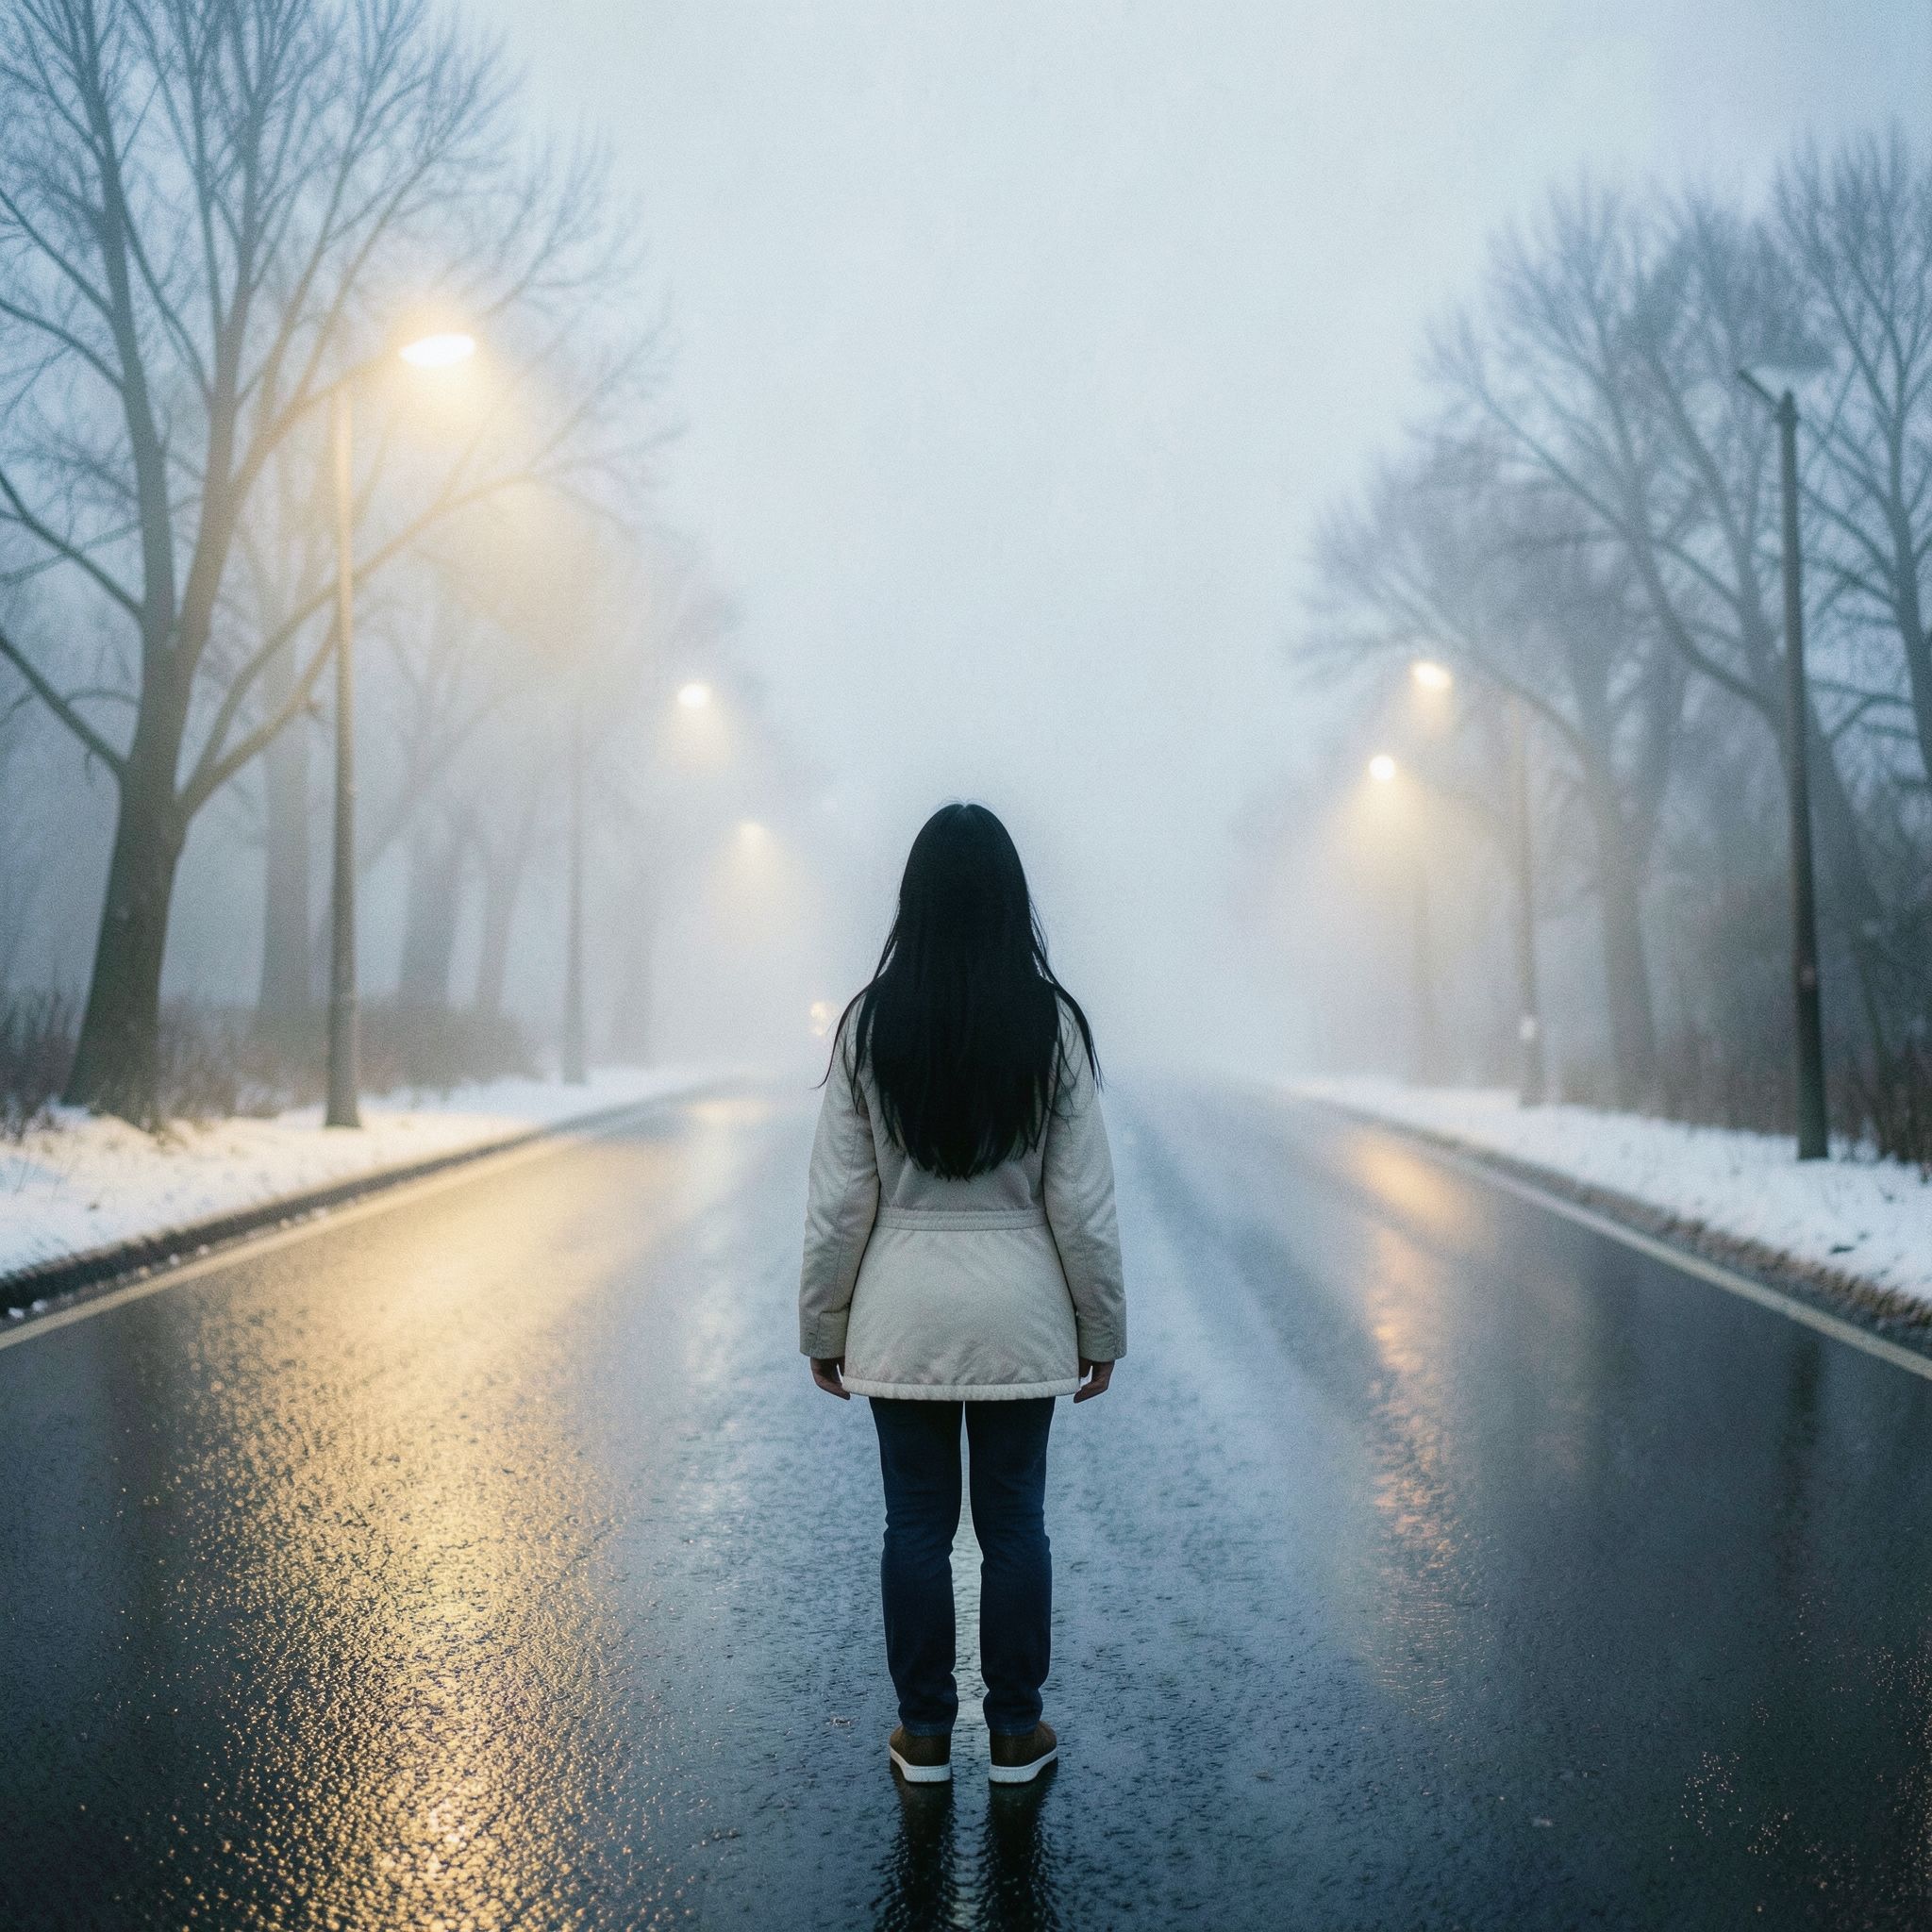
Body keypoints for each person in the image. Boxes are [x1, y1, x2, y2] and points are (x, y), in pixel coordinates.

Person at [799, 802, 1125, 1788]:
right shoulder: (1051, 1023)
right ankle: (1018, 1732)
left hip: (901, 1319)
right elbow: (1082, 1205)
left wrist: (823, 1324)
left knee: (914, 1526)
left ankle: (925, 1733)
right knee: (1015, 1523)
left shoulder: (868, 1022)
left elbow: (837, 1205)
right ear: (1009, 898)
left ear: (915, 898)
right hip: (1020, 1317)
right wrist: (1099, 1325)